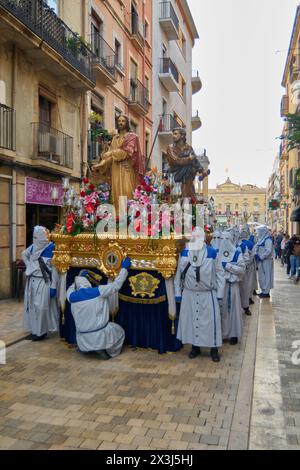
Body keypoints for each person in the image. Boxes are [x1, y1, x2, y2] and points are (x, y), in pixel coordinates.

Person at [175, 228, 225, 362]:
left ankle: (214, 349)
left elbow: (220, 274)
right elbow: (178, 274)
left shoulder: (212, 253)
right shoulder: (185, 253)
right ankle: (195, 347)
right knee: (192, 321)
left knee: (210, 323)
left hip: (207, 294)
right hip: (189, 294)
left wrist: (220, 294)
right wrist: (178, 293)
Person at [66, 258, 131, 359]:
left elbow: (71, 287)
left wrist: (78, 277)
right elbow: (116, 285)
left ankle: (85, 348)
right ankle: (107, 351)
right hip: (99, 335)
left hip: (82, 336)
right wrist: (124, 269)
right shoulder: (98, 291)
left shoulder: (71, 296)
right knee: (120, 331)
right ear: (89, 284)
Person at [92, 115, 144, 211]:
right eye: (119, 121)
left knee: (127, 193)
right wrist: (101, 164)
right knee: (116, 196)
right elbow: (110, 157)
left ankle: (129, 218)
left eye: (123, 121)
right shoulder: (115, 138)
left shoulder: (132, 137)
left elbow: (127, 153)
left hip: (127, 170)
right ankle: (117, 220)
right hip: (115, 171)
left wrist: (110, 153)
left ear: (127, 123)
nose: (120, 123)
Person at [22, 226, 59, 341]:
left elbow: (55, 269)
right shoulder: (33, 247)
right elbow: (24, 254)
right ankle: (34, 331)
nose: (35, 239)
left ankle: (41, 332)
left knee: (41, 307)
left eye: (37, 237)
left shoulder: (51, 247)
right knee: (32, 307)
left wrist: (53, 287)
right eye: (34, 237)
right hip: (32, 280)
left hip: (44, 281)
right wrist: (29, 266)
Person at [218, 231, 246, 345]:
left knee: (234, 310)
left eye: (227, 240)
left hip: (233, 287)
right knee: (222, 310)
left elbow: (241, 270)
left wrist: (228, 267)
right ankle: (223, 334)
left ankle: (233, 334)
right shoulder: (217, 254)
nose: (225, 243)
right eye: (222, 240)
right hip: (221, 288)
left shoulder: (237, 254)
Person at [166, 128, 209, 199]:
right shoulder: (170, 148)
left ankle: (189, 199)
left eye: (175, 134)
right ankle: (186, 198)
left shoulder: (189, 148)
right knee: (189, 166)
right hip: (175, 175)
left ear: (182, 136)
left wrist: (202, 170)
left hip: (187, 176)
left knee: (190, 168)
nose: (173, 136)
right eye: (173, 134)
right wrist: (188, 159)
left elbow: (194, 160)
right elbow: (175, 160)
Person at [237, 227, 253, 316]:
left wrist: (241, 266)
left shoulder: (243, 245)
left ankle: (246, 307)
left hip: (243, 271)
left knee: (244, 289)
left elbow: (246, 258)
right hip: (232, 275)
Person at [255, 225, 274, 298]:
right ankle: (263, 290)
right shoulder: (262, 239)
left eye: (259, 232)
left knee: (266, 276)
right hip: (262, 261)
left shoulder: (268, 240)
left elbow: (268, 250)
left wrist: (261, 257)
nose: (258, 233)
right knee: (262, 276)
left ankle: (266, 292)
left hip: (266, 261)